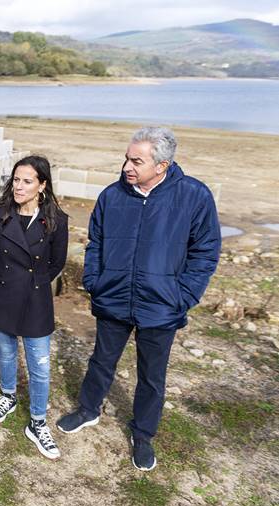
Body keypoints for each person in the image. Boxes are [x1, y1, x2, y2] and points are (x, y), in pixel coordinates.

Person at [57, 127, 221, 471]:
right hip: (113, 296)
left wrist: (184, 294)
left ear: (161, 165)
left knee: (151, 374)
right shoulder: (112, 196)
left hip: (162, 303)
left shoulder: (194, 196)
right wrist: (94, 281)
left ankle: (143, 434)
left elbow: (205, 251)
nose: (127, 166)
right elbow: (96, 243)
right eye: (126, 158)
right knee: (101, 360)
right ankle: (88, 410)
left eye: (136, 160)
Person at [0, 156, 68, 460]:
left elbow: (56, 263)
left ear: (42, 185)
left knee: (40, 365)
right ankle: (8, 396)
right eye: (16, 179)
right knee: (6, 352)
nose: (19, 186)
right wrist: (6, 278)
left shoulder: (57, 220)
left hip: (36, 298)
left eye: (27, 181)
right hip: (3, 293)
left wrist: (33, 284)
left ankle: (38, 422)